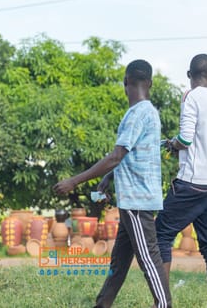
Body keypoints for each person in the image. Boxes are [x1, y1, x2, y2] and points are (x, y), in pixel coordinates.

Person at [53, 59, 171, 308]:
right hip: (133, 199)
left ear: (125, 82)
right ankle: (102, 304)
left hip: (137, 201)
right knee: (118, 264)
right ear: (149, 83)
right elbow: (133, 156)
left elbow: (116, 155)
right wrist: (108, 178)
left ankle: (164, 305)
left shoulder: (137, 113)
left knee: (149, 259)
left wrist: (74, 181)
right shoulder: (148, 111)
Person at [156, 54, 207, 308]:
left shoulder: (191, 96)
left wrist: (172, 144)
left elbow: (186, 139)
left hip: (191, 182)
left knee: (161, 234)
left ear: (190, 75)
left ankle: (162, 302)